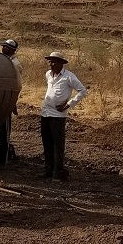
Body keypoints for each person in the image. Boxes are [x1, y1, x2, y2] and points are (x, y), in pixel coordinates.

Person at [40, 51, 88, 181]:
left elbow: (83, 91)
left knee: (57, 144)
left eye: (54, 61)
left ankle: (57, 172)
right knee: (47, 142)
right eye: (50, 61)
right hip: (45, 112)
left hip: (58, 115)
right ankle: (48, 169)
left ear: (61, 63)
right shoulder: (48, 75)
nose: (51, 64)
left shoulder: (69, 77)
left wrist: (68, 104)